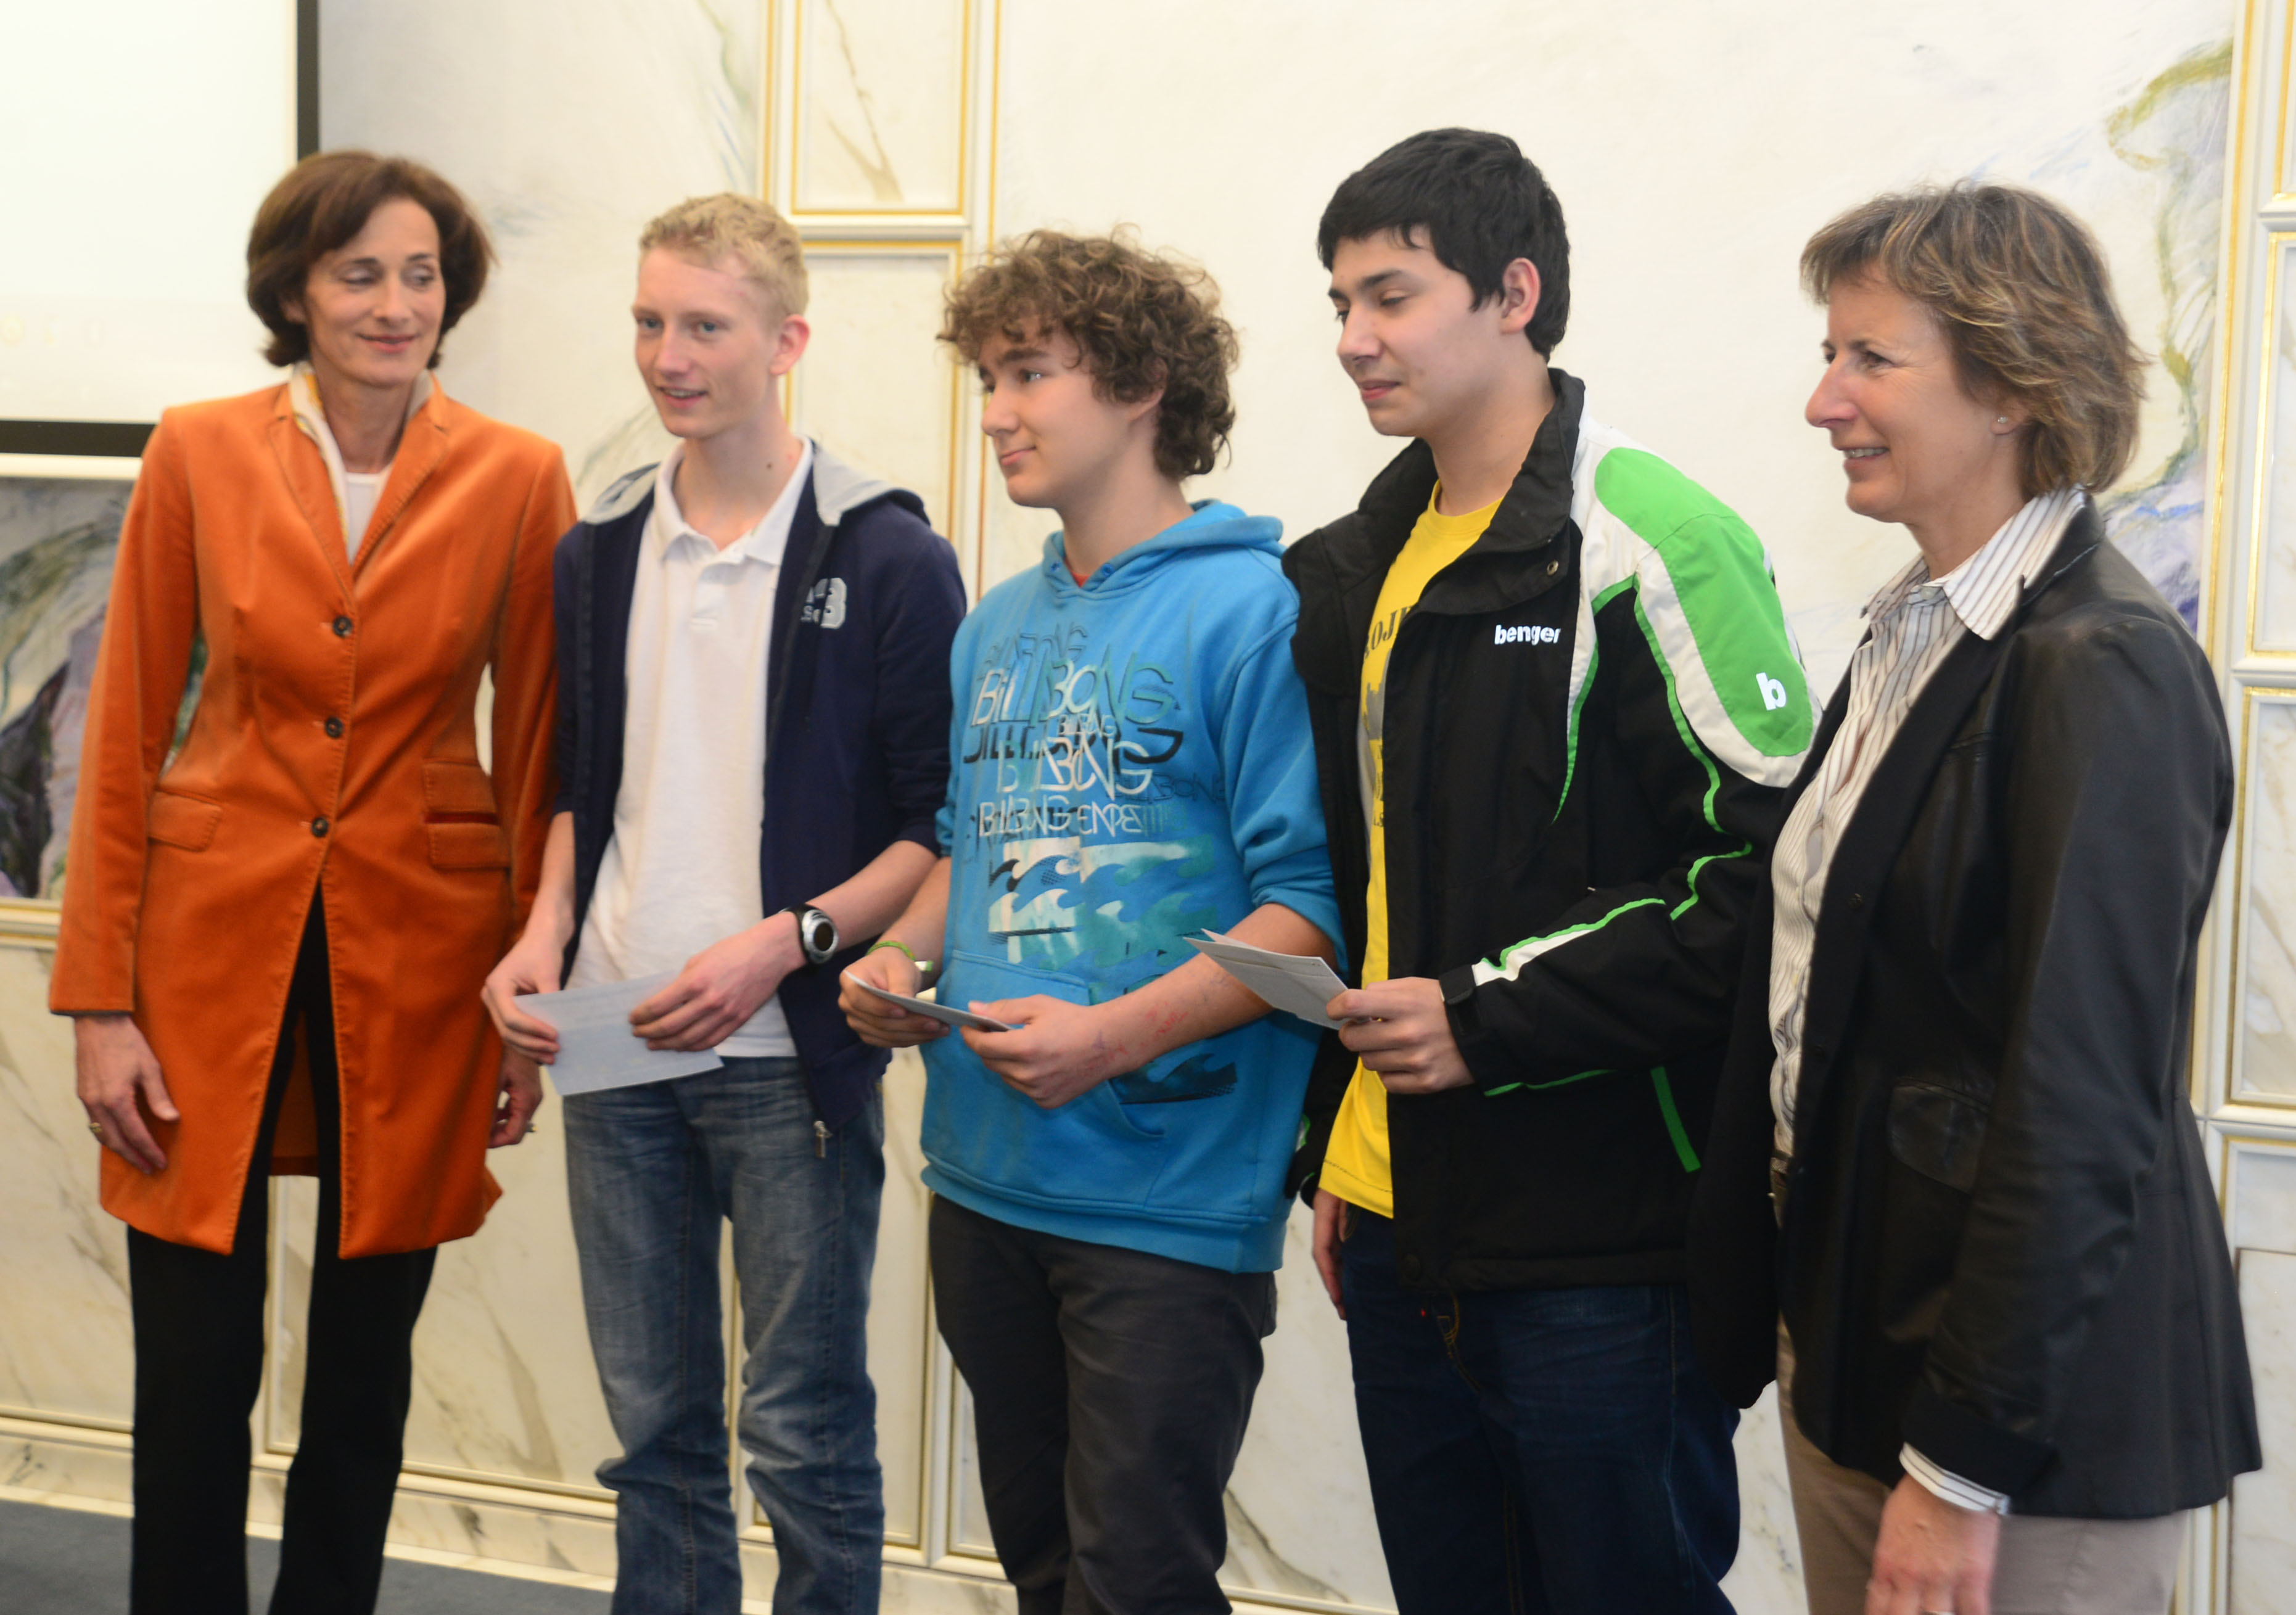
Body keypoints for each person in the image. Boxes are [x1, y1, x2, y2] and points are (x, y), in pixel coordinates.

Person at [1687, 182, 2260, 1615]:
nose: (1824, 400)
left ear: (2010, 383)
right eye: (1831, 353)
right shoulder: (1912, 634)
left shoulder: (2098, 663)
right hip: (1865, 1348)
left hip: (2017, 1430)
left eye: (1871, 358)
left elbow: (2081, 1098)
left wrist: (1960, 1465)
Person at [1286, 128, 1817, 1614]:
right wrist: (1344, 1149)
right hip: (1396, 1216)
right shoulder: (1358, 561)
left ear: (1514, 294)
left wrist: (1483, 1016)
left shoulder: (1652, 536)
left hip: (1604, 1241)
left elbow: (1766, 883)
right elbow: (1376, 883)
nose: (1353, 339)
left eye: (1391, 296)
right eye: (1339, 302)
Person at [51, 150, 570, 1614]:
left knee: (366, 1358)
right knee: (194, 1357)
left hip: (425, 953)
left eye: (422, 275)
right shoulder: (197, 449)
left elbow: (539, 747)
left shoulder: (518, 473)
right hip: (204, 946)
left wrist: (534, 1007)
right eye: (360, 274)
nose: (396, 305)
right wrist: (98, 1001)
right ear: (295, 291)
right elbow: (124, 730)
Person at [839, 229, 1341, 1615]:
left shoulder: (1258, 611)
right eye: (988, 378)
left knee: (1139, 1583)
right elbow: (970, 849)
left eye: (1029, 373)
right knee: (1046, 1572)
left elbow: (1309, 916)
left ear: (1140, 385)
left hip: (1167, 1202)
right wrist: (901, 957)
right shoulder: (993, 624)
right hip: (983, 1177)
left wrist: (1110, 1040)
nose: (997, 411)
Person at [481, 192, 963, 1615]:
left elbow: (935, 827)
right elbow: (579, 789)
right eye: (648, 321)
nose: (667, 356)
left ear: (787, 341)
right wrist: (538, 936)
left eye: (703, 325)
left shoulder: (888, 553)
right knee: (655, 1434)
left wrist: (787, 942)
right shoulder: (598, 549)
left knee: (801, 1430)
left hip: (784, 1047)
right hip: (614, 1033)